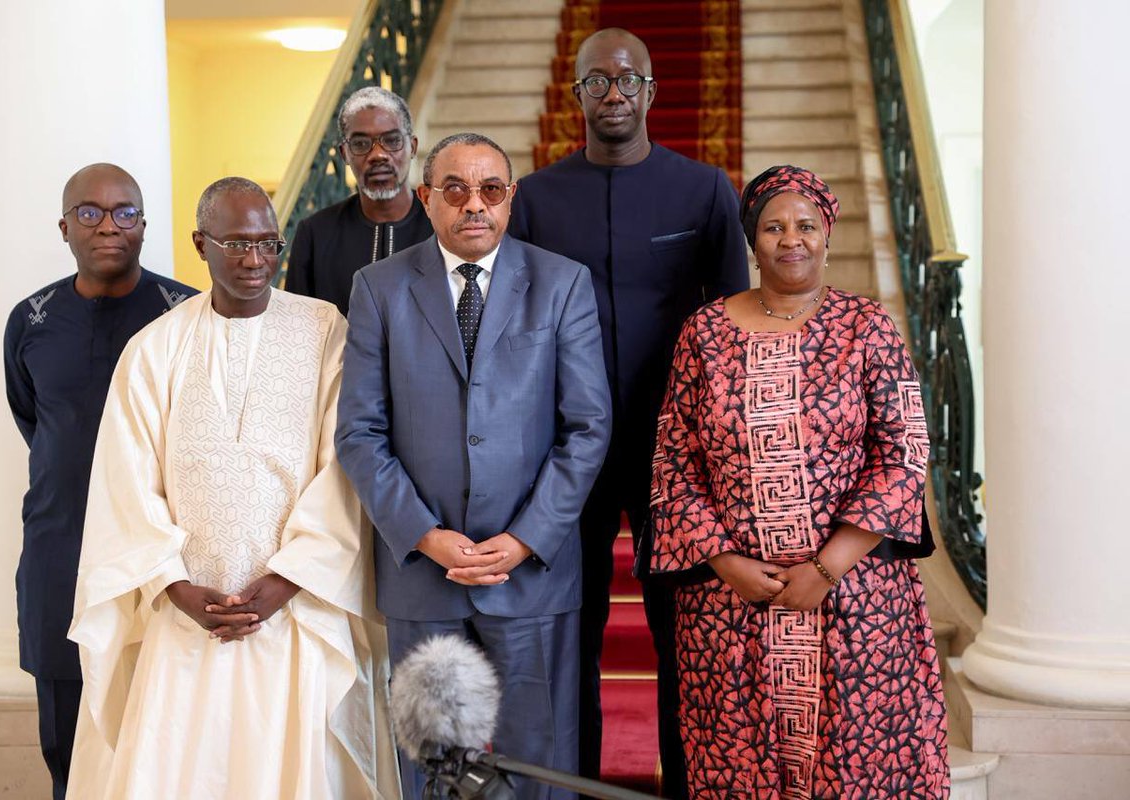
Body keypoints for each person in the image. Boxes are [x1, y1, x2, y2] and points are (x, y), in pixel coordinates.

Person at [66, 177, 399, 799]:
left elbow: (347, 462)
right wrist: (174, 584)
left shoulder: (326, 331)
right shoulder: (153, 349)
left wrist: (287, 578)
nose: (255, 261)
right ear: (201, 244)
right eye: (237, 244)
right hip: (186, 613)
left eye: (268, 244)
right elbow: (126, 480)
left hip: (296, 608)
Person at [649, 165, 950, 799]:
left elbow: (906, 452)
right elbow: (674, 461)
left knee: (857, 768)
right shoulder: (703, 334)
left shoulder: (869, 328)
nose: (792, 239)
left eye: (806, 225)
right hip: (729, 607)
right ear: (752, 241)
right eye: (774, 226)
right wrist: (726, 562)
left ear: (828, 235)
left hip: (857, 601)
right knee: (737, 766)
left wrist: (828, 566)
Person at [507, 27, 750, 795]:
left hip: (672, 456)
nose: (612, 93)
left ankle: (684, 784)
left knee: (677, 633)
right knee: (570, 634)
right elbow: (516, 330)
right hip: (563, 453)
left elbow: (732, 326)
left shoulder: (705, 189)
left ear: (651, 91)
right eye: (596, 81)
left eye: (627, 79)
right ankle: (575, 787)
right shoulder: (537, 198)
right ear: (575, 94)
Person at [336, 133, 611, 800]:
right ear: (426, 199)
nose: (474, 204)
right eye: (454, 189)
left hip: (531, 568)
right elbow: (359, 433)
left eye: (491, 189)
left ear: (510, 199)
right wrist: (426, 536)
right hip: (424, 570)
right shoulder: (378, 288)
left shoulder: (561, 283)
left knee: (539, 761)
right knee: (432, 765)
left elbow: (588, 427)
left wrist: (522, 540)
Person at [2, 163, 193, 800]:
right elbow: (34, 419)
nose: (108, 226)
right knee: (63, 731)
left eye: (124, 213)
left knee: (159, 727)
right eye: (90, 212)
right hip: (61, 548)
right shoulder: (30, 320)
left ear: (144, 225)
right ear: (64, 227)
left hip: (161, 556)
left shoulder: (186, 313)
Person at [285, 86, 434, 314]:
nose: (377, 155)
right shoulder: (316, 234)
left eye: (392, 140)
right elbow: (298, 328)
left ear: (412, 147)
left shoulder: (441, 226)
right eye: (361, 144)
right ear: (344, 154)